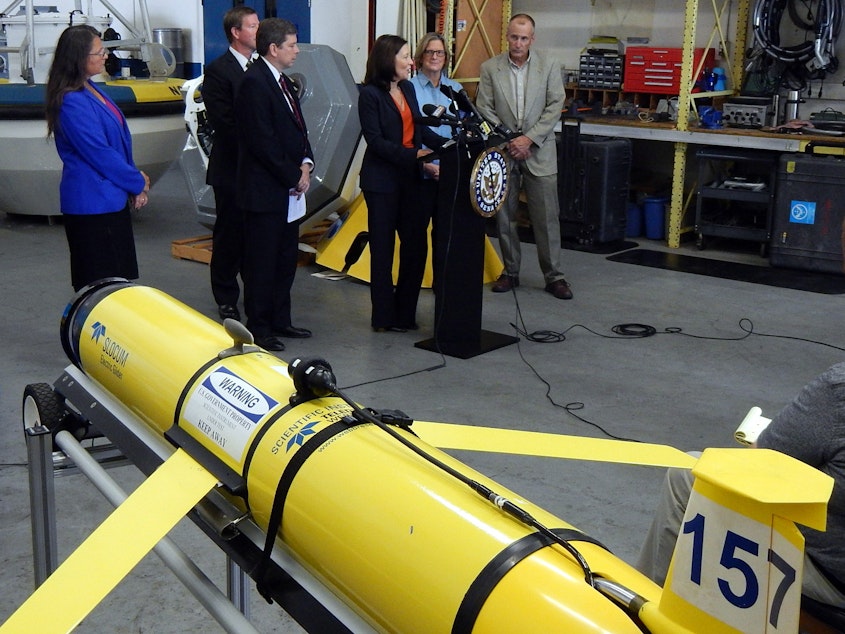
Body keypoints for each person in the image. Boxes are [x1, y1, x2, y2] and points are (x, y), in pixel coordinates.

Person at [636, 363, 845, 609]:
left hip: (832, 579)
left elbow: (758, 465)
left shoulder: (838, 389)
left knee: (688, 477)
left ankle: (642, 611)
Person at [45, 24, 150, 292]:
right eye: (99, 52)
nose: (105, 56)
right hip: (92, 206)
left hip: (110, 200)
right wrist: (136, 182)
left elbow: (118, 143)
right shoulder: (71, 101)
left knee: (118, 281)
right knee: (99, 284)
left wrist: (133, 178)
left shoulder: (91, 89)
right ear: (78, 58)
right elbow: (99, 152)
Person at [475, 14, 571, 300]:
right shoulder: (490, 68)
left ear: (532, 39)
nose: (518, 43)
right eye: (514, 37)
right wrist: (510, 141)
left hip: (539, 151)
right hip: (504, 153)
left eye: (524, 38)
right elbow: (484, 108)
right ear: (507, 36)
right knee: (505, 217)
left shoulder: (549, 65)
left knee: (546, 218)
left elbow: (556, 104)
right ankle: (510, 271)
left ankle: (555, 276)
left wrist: (529, 139)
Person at [234, 18, 314, 352]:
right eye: (291, 45)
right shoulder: (255, 83)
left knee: (284, 259)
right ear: (273, 49)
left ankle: (281, 318)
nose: (296, 50)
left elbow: (299, 130)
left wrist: (306, 164)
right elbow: (261, 140)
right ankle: (260, 326)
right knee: (262, 262)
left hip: (288, 191)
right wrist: (292, 175)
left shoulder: (282, 82)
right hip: (265, 191)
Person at [358, 34, 445, 332]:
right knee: (382, 251)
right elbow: (377, 142)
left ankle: (404, 314)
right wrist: (415, 155)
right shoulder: (369, 95)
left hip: (411, 180)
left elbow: (418, 130)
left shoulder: (407, 88)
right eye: (405, 56)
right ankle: (382, 317)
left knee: (415, 246)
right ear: (387, 60)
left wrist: (446, 145)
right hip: (381, 183)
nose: (411, 62)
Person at [203, 6, 259, 322]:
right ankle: (225, 297)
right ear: (236, 32)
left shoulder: (262, 67)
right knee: (229, 236)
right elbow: (225, 123)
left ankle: (256, 295)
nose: (258, 31)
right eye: (252, 26)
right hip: (232, 170)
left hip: (259, 171)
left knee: (255, 237)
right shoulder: (219, 71)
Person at [409, 32, 462, 259]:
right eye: (430, 52)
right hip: (420, 175)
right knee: (415, 239)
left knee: (446, 238)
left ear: (446, 57)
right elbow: (408, 132)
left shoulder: (455, 89)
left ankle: (443, 288)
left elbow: (462, 131)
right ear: (421, 57)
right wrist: (426, 165)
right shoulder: (408, 87)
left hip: (450, 176)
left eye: (439, 52)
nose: (434, 56)